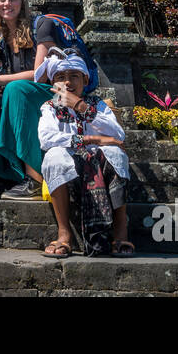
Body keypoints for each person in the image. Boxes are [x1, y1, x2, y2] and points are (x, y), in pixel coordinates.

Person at [36, 54, 134, 259]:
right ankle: (64, 234)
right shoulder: (49, 107)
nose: (67, 82)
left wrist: (80, 106)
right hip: (70, 167)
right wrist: (92, 139)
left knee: (116, 153)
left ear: (85, 80)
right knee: (53, 157)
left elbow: (117, 136)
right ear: (54, 83)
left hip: (98, 163)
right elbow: (47, 138)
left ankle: (120, 231)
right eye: (61, 76)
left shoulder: (97, 105)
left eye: (74, 76)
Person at [0, 0, 62, 200]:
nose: (7, 4)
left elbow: (40, 75)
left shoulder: (42, 26)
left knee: (16, 89)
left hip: (52, 95)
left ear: (23, 1)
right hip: (19, 95)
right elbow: (1, 82)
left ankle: (34, 177)